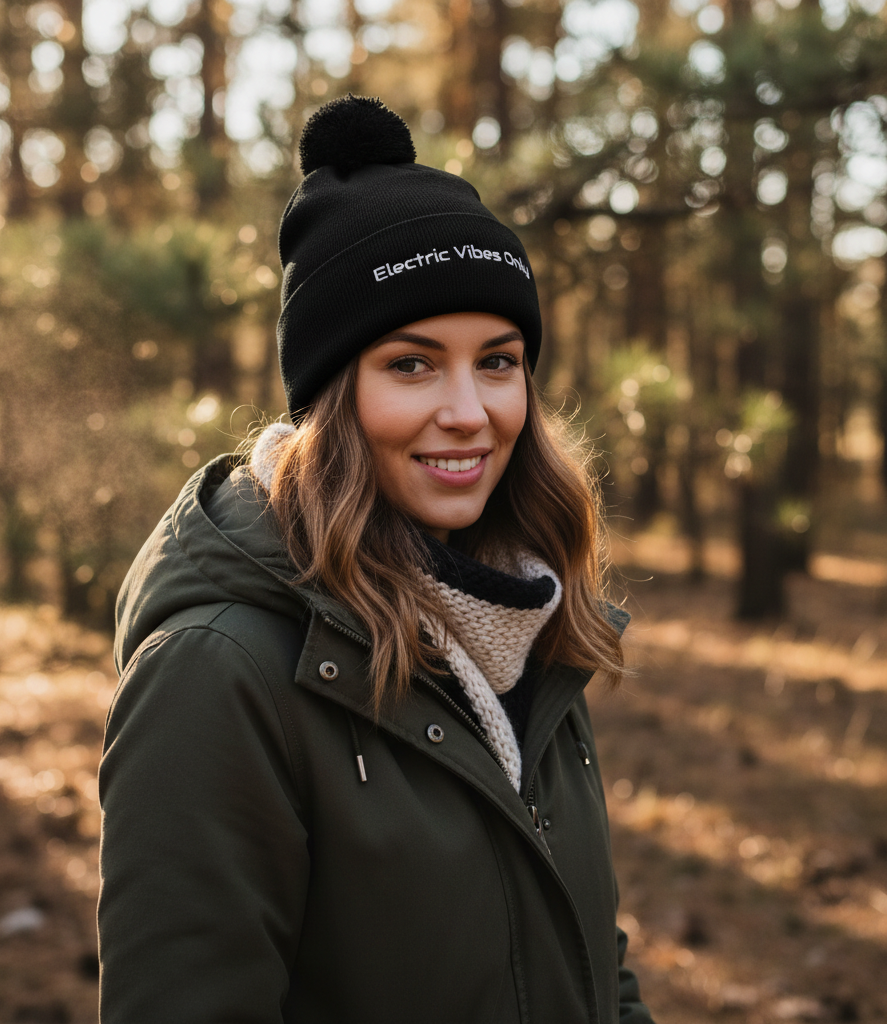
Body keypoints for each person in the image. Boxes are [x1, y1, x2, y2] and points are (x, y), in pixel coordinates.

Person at [97, 95, 654, 1024]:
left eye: (500, 360)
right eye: (412, 363)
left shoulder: (526, 617)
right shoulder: (218, 671)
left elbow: (589, 954)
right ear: (332, 395)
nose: (471, 410)